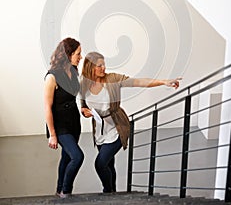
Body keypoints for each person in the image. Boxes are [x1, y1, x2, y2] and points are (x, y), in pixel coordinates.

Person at [80, 51, 181, 194]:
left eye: (104, 65)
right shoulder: (84, 84)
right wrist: (85, 112)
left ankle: (107, 191)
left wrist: (163, 81)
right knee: (109, 164)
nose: (103, 68)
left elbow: (138, 82)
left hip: (117, 128)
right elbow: (83, 107)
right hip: (100, 131)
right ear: (90, 67)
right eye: (99, 66)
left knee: (100, 164)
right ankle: (113, 192)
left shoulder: (112, 79)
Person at [44, 37, 84, 198]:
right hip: (60, 126)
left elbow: (75, 95)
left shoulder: (73, 71)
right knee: (77, 156)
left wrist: (84, 107)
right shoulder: (51, 76)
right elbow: (47, 106)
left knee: (67, 157)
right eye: (78, 54)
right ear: (68, 54)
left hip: (74, 122)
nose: (80, 57)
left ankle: (59, 190)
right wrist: (53, 134)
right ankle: (66, 191)